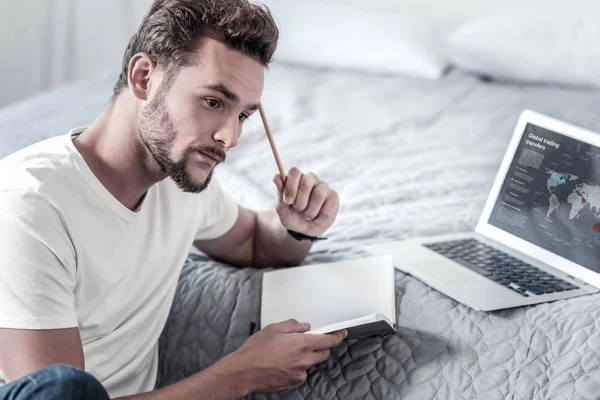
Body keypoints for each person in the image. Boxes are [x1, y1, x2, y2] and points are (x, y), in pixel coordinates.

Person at [0, 0, 345, 398]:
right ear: (144, 77)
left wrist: (298, 226)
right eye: (214, 102)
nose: (228, 138)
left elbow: (253, 241)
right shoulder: (29, 207)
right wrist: (241, 374)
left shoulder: (178, 179)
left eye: (244, 116)